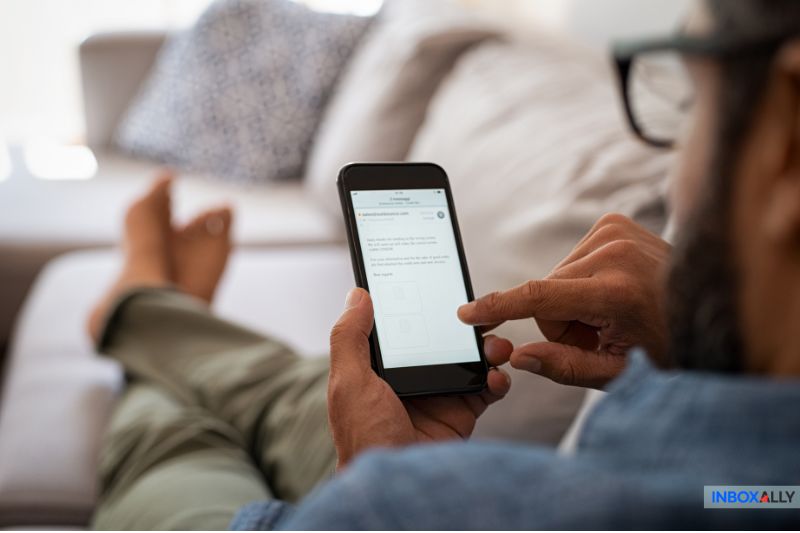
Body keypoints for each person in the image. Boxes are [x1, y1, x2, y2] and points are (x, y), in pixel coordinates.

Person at [90, 0, 800, 529]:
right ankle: (160, 312)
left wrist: (377, 484)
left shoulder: (406, 503)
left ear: (789, 144)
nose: (677, 174)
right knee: (295, 389)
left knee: (177, 438)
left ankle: (142, 303)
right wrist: (699, 351)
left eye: (689, 106)